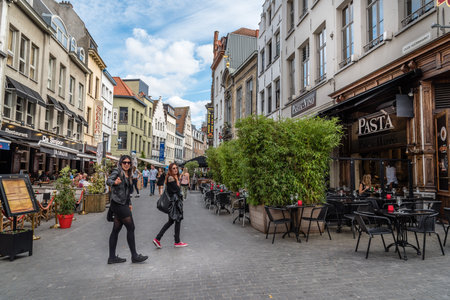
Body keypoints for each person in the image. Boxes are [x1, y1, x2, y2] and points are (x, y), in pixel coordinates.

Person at [106, 155, 148, 264]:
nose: (126, 164)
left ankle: (112, 257)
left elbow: (127, 191)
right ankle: (134, 256)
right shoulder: (117, 171)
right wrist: (114, 182)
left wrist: (129, 203)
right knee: (131, 227)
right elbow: (109, 180)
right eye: (124, 162)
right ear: (121, 163)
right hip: (118, 204)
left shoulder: (128, 174)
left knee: (116, 230)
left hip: (122, 203)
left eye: (128, 162)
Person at [153, 163, 188, 248]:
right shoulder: (171, 178)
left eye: (176, 168)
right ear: (170, 170)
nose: (175, 169)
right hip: (174, 203)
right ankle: (177, 241)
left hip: (174, 203)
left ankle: (158, 238)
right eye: (173, 168)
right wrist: (177, 180)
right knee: (177, 220)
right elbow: (177, 190)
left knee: (171, 221)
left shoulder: (172, 177)